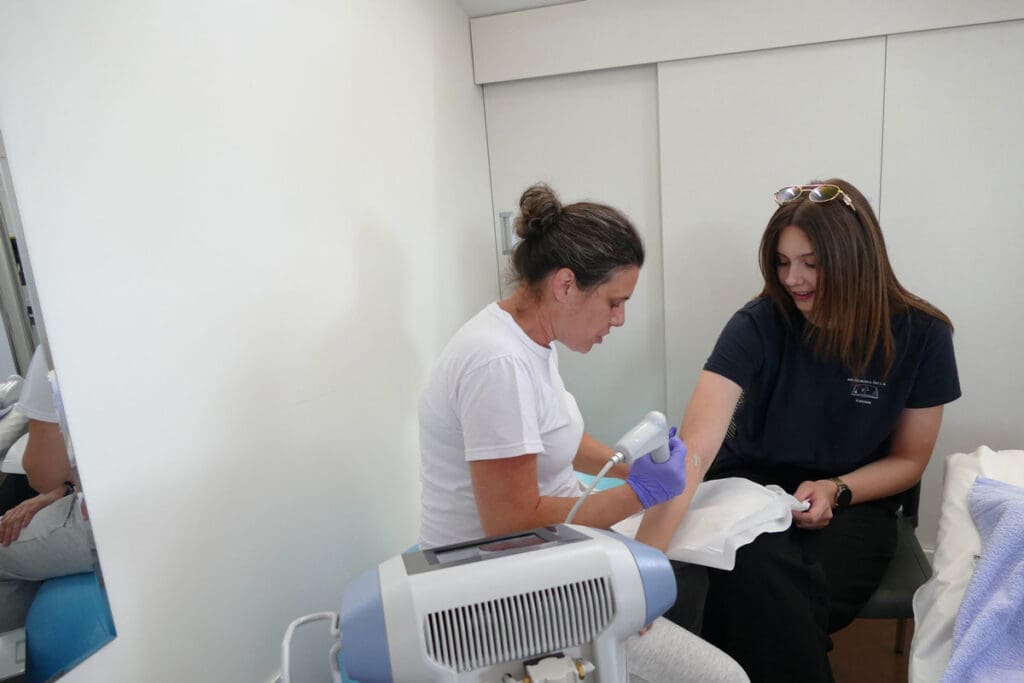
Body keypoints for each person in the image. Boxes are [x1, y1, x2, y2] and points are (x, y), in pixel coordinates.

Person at [418, 183, 749, 683]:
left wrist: (633, 468)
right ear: (566, 285)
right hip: (493, 597)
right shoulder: (498, 363)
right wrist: (641, 493)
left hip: (543, 564)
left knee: (691, 574)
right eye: (614, 302)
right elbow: (511, 524)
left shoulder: (529, 340)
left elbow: (559, 440)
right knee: (724, 679)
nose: (620, 319)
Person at [637, 178, 961, 682]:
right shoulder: (757, 324)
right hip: (749, 489)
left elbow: (909, 460)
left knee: (763, 595)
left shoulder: (922, 335)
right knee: (756, 572)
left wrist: (837, 488)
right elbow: (696, 448)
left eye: (811, 263)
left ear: (856, 259)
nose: (794, 279)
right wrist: (644, 563)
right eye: (783, 262)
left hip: (854, 500)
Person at [0, 345, 94, 632]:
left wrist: (55, 485)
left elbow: (42, 472)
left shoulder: (55, 346)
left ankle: (20, 650)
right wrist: (61, 489)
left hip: (110, 520)